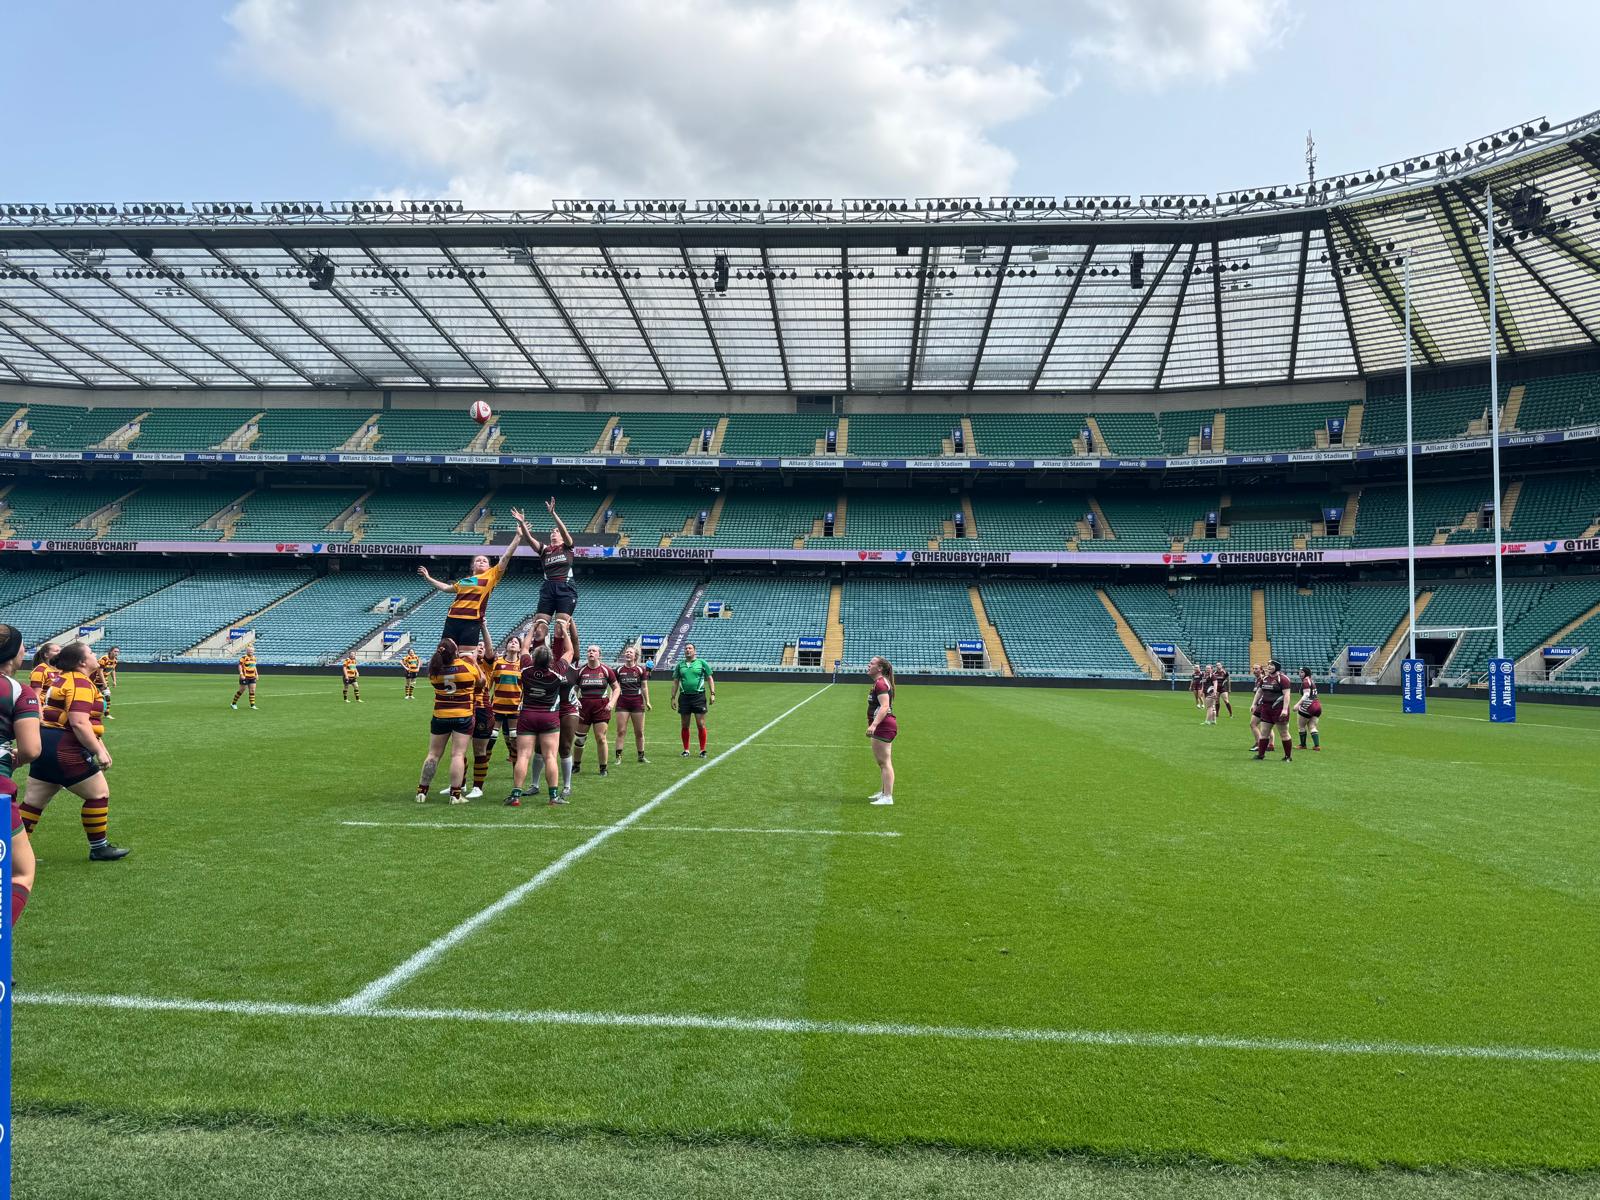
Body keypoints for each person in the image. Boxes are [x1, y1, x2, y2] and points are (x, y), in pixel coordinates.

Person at [22, 641, 128, 860]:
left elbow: (83, 721)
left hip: (46, 743)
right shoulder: (80, 682)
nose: (94, 655)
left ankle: (12, 852)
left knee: (33, 802)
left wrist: (100, 744)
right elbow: (79, 722)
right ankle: (99, 848)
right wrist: (98, 750)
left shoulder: (65, 678)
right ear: (81, 662)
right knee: (99, 794)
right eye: (90, 652)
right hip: (65, 746)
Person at [417, 508, 531, 650]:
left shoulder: (491, 575)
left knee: (467, 656)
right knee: (444, 653)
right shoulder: (464, 581)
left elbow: (506, 556)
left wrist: (518, 536)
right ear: (473, 566)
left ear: (489, 566)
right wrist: (428, 578)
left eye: (484, 560)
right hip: (452, 619)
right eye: (478, 560)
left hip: (471, 622)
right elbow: (447, 588)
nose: (481, 561)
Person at [0, 625, 41, 922]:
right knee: (21, 872)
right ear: (12, 652)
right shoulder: (18, 691)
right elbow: (31, 749)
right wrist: (14, 761)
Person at [510, 643, 580, 807]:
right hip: (549, 717)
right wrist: (564, 628)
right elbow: (570, 651)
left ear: (534, 659)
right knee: (550, 757)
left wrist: (534, 627)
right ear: (551, 660)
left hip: (527, 716)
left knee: (523, 756)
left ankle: (515, 795)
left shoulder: (526, 669)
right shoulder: (556, 672)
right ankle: (553, 796)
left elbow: (524, 648)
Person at [416, 637, 477, 804]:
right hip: (462, 716)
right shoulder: (466, 668)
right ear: (455, 652)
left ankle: (422, 791)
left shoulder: (434, 671)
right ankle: (455, 795)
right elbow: (480, 681)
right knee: (457, 754)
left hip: (440, 716)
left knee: (433, 754)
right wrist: (472, 660)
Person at [524, 498, 577, 647]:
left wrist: (553, 514)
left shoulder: (567, 547)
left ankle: (558, 662)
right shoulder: (545, 550)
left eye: (556, 531)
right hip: (548, 588)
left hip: (565, 588)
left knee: (560, 628)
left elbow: (564, 532)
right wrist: (522, 526)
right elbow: (529, 540)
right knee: (540, 629)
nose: (554, 533)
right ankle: (538, 661)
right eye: (552, 532)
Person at [571, 644, 619, 778]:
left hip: (601, 707)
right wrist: (575, 699)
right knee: (580, 738)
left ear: (599, 654)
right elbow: (573, 689)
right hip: (583, 707)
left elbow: (616, 688)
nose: (591, 653)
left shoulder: (606, 670)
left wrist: (612, 702)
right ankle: (576, 765)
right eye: (589, 651)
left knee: (601, 738)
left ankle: (603, 768)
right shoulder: (580, 671)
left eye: (594, 651)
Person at [551, 616, 581, 797]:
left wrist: (569, 625)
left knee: (565, 747)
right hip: (549, 709)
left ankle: (567, 785)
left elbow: (575, 641)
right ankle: (535, 783)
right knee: (541, 748)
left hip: (568, 709)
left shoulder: (573, 661)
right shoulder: (552, 662)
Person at [670, 643, 715, 758]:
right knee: (685, 725)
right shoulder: (680, 665)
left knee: (700, 724)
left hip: (698, 697)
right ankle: (686, 750)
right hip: (684, 697)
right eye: (686, 648)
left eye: (690, 648)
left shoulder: (702, 663)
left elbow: (710, 678)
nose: (687, 650)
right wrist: (673, 697)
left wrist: (712, 693)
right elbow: (675, 681)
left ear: (695, 651)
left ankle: (702, 750)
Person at [490, 635, 529, 763]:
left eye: (516, 642)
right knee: (492, 736)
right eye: (510, 642)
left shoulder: (522, 665)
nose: (513, 643)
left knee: (513, 736)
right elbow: (489, 684)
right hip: (497, 705)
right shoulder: (497, 663)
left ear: (519, 648)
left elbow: (526, 687)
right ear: (506, 646)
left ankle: (514, 760)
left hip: (514, 707)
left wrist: (523, 701)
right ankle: (484, 759)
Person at [865, 655, 897, 806]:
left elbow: (885, 707)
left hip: (884, 726)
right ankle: (884, 792)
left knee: (885, 762)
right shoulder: (880, 682)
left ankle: (888, 797)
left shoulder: (881, 684)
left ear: (880, 668)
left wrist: (874, 725)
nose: (868, 665)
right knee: (883, 762)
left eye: (871, 663)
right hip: (883, 726)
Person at [612, 645, 651, 765]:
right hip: (622, 702)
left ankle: (641, 756)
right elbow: (614, 688)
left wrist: (647, 701)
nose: (628, 654)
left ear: (635, 656)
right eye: (626, 652)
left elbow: (644, 687)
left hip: (637, 702)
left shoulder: (640, 670)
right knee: (621, 731)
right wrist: (611, 701)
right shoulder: (618, 670)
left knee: (639, 732)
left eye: (630, 652)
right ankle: (618, 757)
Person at [1253, 659, 1294, 762]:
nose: (1269, 667)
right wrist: (1254, 704)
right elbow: (1259, 692)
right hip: (1266, 709)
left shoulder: (1283, 679)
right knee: (1264, 732)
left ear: (1277, 667)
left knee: (1284, 733)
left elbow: (1287, 695)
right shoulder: (1265, 678)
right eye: (1268, 665)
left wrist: (1285, 709)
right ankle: (1261, 755)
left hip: (1278, 710)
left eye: (1272, 665)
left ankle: (1288, 757)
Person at [1296, 667, 1323, 751]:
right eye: (1299, 672)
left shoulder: (1305, 681)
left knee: (1301, 726)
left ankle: (1303, 745)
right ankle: (1317, 746)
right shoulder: (1311, 680)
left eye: (1302, 672)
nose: (1300, 674)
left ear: (1306, 673)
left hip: (1308, 705)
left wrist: (1298, 704)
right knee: (1312, 726)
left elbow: (1306, 695)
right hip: (1317, 705)